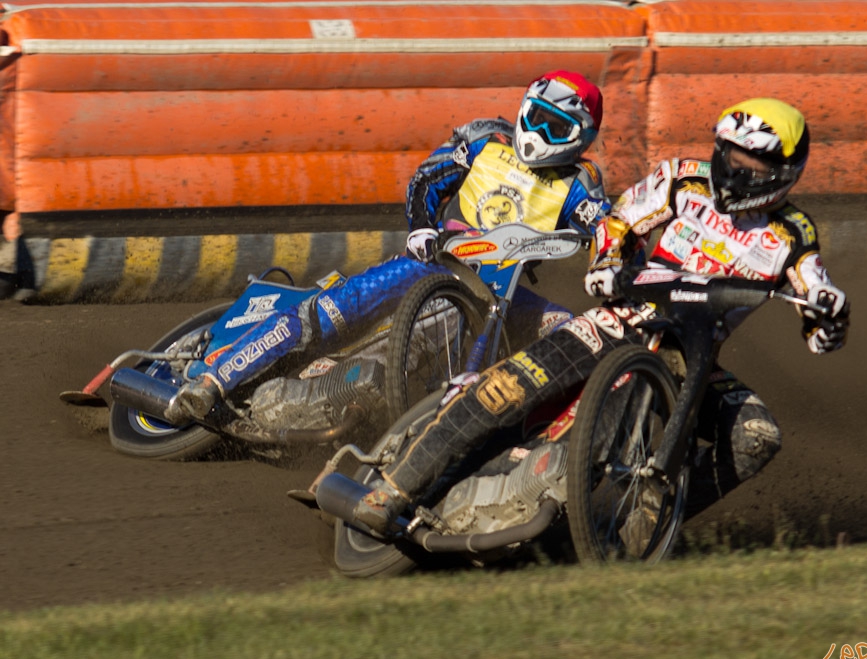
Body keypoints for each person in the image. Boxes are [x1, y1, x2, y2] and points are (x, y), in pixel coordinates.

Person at [347, 97, 851, 534]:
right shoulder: (682, 179)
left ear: (782, 174)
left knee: (756, 434)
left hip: (690, 356)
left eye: (751, 164)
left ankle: (638, 525)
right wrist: (607, 262)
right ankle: (391, 492)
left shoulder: (792, 233)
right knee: (506, 389)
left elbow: (815, 298)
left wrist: (829, 316)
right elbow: (619, 220)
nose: (735, 169)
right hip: (622, 320)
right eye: (730, 154)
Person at [164, 70, 610, 425]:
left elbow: (603, 224)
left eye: (556, 127)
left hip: (504, 291)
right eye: (536, 117)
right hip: (436, 261)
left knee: (571, 330)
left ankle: (543, 436)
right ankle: (214, 380)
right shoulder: (484, 140)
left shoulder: (581, 182)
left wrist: (608, 258)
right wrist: (421, 228)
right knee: (336, 308)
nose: (539, 132)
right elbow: (426, 181)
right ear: (524, 108)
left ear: (581, 137)